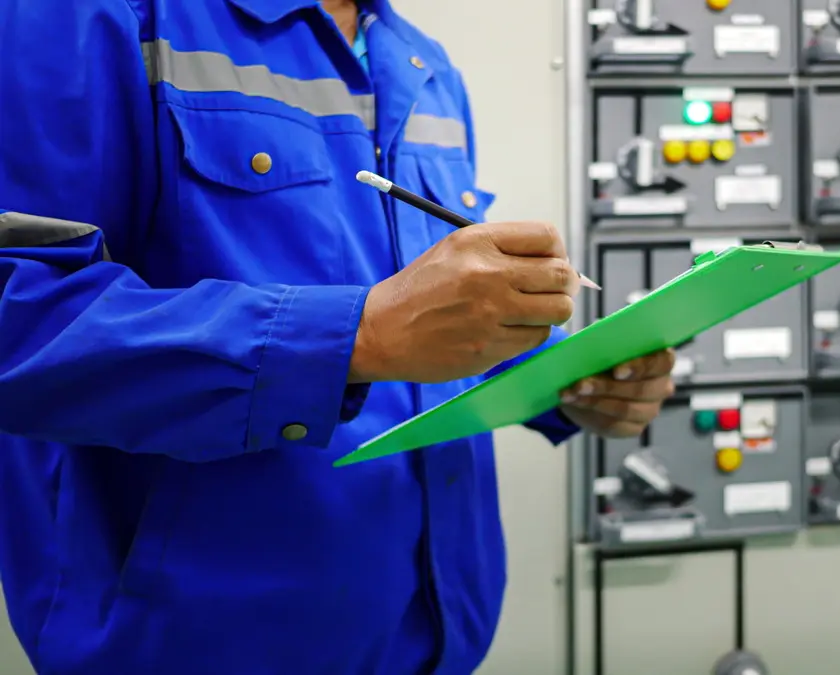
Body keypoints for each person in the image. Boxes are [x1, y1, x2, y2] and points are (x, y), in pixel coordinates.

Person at [0, 1, 674, 673]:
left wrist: (565, 380)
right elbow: (21, 323)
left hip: (437, 637)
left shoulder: (422, 63)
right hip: (198, 643)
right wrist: (357, 336)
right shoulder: (89, 15)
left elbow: (423, 314)